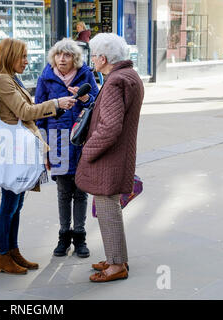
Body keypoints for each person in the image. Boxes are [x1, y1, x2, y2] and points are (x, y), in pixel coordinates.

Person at [0, 38, 77, 275]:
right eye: (22, 56)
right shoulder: (3, 80)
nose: (26, 61)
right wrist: (56, 103)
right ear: (10, 56)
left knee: (16, 205)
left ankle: (12, 251)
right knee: (9, 205)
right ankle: (2, 255)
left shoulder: (11, 78)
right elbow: (24, 111)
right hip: (13, 150)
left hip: (20, 149)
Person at [75, 33, 144, 282]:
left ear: (103, 58)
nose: (91, 60)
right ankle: (116, 258)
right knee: (109, 209)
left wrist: (87, 150)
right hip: (118, 155)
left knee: (108, 210)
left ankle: (116, 265)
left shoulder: (115, 81)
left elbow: (110, 128)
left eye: (93, 56)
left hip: (108, 158)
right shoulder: (129, 76)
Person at [35, 38, 99, 258]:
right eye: (59, 54)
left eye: (67, 55)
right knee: (63, 192)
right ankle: (64, 236)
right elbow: (38, 113)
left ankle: (80, 236)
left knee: (81, 191)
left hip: (81, 141)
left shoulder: (86, 75)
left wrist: (84, 97)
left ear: (75, 58)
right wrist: (43, 146)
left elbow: (97, 104)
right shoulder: (46, 77)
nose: (62, 59)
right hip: (57, 140)